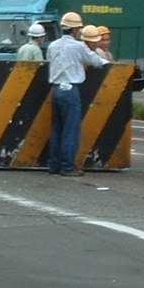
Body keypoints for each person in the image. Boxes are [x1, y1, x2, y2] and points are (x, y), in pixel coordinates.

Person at [45, 10, 108, 176]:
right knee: (70, 130)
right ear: (75, 30)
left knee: (57, 128)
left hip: (56, 88)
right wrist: (107, 62)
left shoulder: (53, 45)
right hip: (71, 90)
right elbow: (96, 61)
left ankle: (54, 164)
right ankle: (67, 167)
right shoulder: (78, 46)